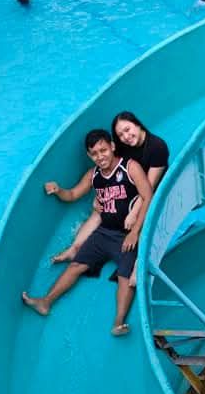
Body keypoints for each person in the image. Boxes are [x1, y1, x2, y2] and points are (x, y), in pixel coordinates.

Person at [22, 129, 152, 336]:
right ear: (89, 156)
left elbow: (148, 196)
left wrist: (135, 232)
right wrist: (58, 190)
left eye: (103, 150)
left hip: (127, 234)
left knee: (125, 276)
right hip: (104, 233)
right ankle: (45, 302)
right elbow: (73, 194)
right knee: (75, 265)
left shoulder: (130, 167)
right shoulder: (94, 175)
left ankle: (118, 322)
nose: (100, 156)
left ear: (112, 146)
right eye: (94, 153)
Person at [53, 111, 168, 277]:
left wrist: (133, 213)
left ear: (138, 124)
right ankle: (75, 248)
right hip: (132, 187)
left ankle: (139, 263)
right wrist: (101, 197)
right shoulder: (125, 146)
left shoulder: (157, 147)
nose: (126, 137)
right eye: (121, 135)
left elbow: (148, 189)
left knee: (142, 216)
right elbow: (112, 171)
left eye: (128, 130)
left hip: (152, 191)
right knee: (100, 209)